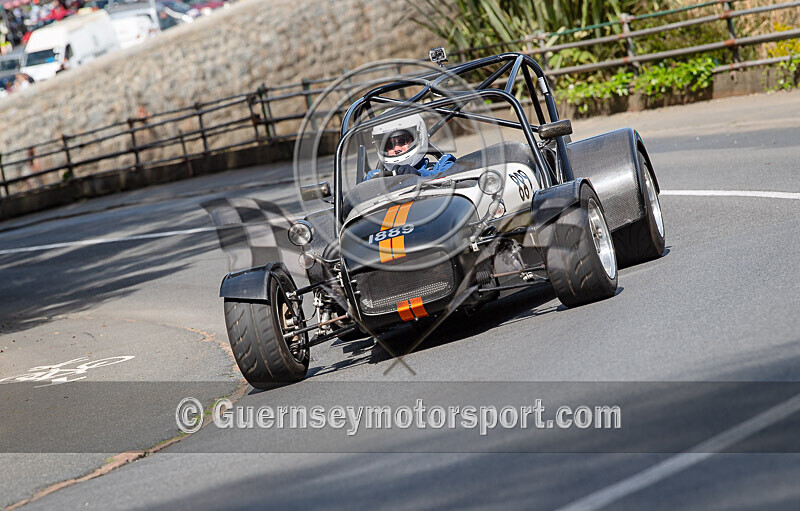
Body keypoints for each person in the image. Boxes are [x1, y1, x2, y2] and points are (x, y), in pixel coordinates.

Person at [364, 114, 456, 180]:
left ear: (419, 138)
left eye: (402, 141)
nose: (396, 149)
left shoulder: (444, 164)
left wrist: (420, 175)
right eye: (389, 145)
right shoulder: (373, 176)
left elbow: (453, 174)